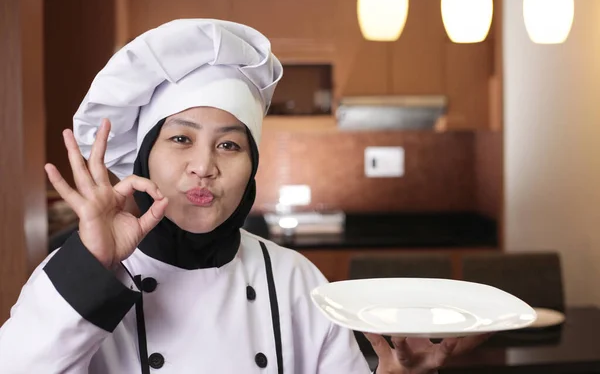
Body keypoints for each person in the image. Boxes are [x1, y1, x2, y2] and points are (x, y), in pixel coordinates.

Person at [0, 19, 487, 373]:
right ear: (144, 158)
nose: (205, 165)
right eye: (181, 139)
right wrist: (90, 263)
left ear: (252, 167)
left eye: (230, 145)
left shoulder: (297, 280)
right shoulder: (81, 275)